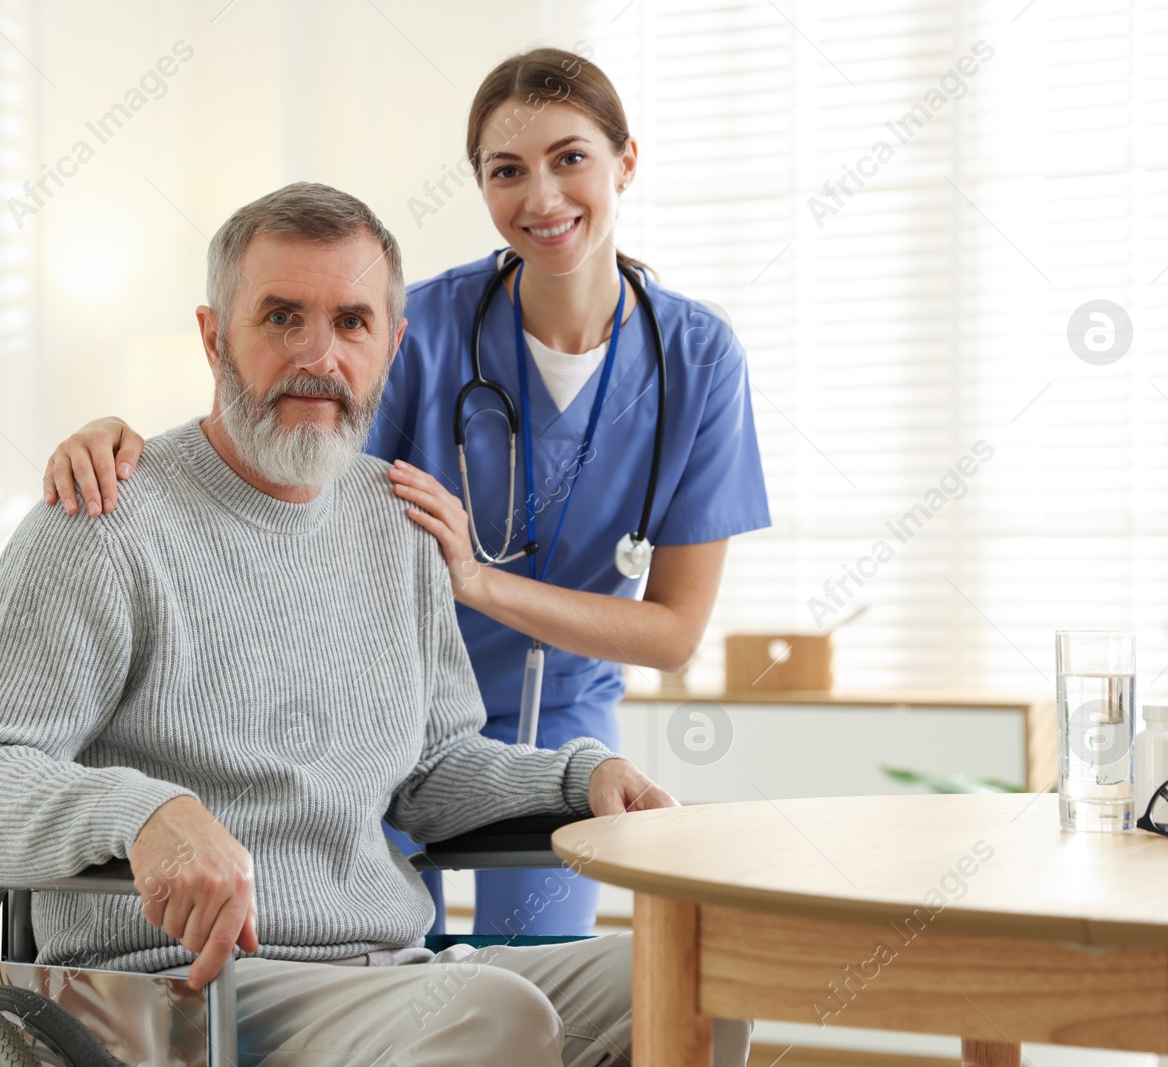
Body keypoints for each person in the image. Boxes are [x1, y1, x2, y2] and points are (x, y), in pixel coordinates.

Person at [0, 182, 753, 1065]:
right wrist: (142, 810)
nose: (318, 355)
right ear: (212, 338)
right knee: (498, 1018)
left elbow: (432, 772)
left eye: (351, 322)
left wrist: (581, 779)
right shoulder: (104, 521)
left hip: (380, 969)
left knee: (694, 977)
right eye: (281, 317)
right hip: (178, 989)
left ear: (391, 344)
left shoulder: (399, 526)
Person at [38, 47, 772, 939]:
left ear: (626, 161)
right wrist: (128, 444)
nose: (541, 198)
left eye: (570, 157)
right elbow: (291, 463)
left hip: (563, 710)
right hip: (382, 701)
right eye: (507, 170)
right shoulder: (411, 328)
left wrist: (479, 580)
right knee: (364, 929)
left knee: (547, 957)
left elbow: (675, 632)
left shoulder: (695, 357)